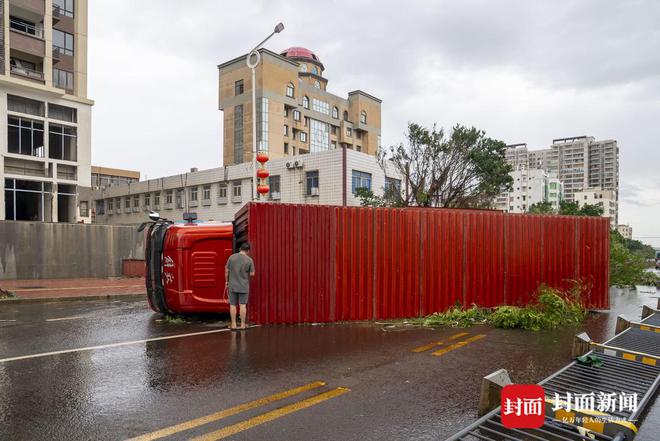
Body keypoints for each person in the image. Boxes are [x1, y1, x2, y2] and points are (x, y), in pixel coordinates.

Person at [225, 242, 255, 329]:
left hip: (232, 285)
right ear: (248, 251)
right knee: (242, 305)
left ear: (240, 249)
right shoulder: (249, 260)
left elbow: (226, 270)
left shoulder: (232, 257)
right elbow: (252, 274)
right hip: (244, 286)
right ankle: (242, 325)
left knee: (233, 304)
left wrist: (226, 281)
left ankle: (233, 325)